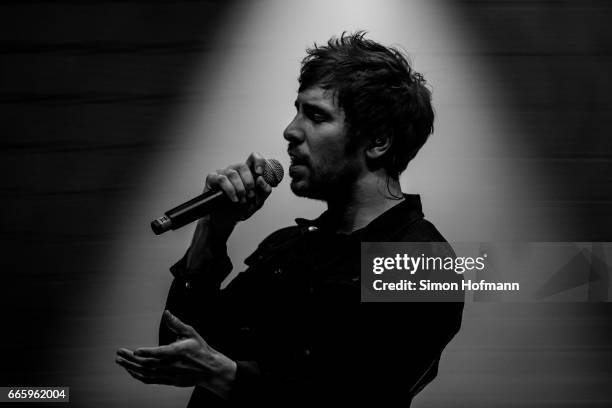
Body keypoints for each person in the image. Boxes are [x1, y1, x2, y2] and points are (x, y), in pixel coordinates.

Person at [116, 31, 463, 406]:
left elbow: (359, 395)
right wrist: (213, 229)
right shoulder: (287, 247)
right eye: (297, 110)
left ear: (378, 141)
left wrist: (229, 378)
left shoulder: (420, 263)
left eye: (315, 116)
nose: (290, 131)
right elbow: (179, 351)